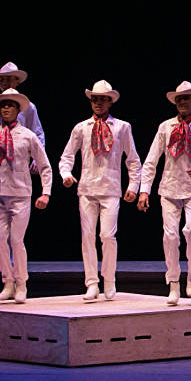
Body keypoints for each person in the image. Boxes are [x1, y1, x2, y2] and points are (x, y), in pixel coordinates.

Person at [138, 81, 191, 305]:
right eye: (179, 99)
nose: (182, 102)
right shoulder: (166, 127)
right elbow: (151, 160)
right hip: (169, 189)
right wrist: (144, 191)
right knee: (170, 236)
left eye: (186, 98)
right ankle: (174, 282)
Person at [59, 80, 142, 301]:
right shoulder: (81, 127)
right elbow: (67, 155)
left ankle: (109, 280)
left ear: (110, 102)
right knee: (87, 236)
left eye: (103, 99)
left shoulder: (122, 127)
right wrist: (66, 175)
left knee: (107, 236)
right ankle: (92, 283)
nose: (98, 103)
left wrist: (133, 186)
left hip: (111, 188)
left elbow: (133, 160)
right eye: (95, 99)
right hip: (87, 187)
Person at [0, 89, 53, 303]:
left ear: (18, 109)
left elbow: (44, 165)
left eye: (10, 105)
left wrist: (46, 193)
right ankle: (8, 282)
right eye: (3, 105)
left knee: (16, 240)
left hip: (20, 195)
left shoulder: (28, 136)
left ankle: (21, 282)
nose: (6, 108)